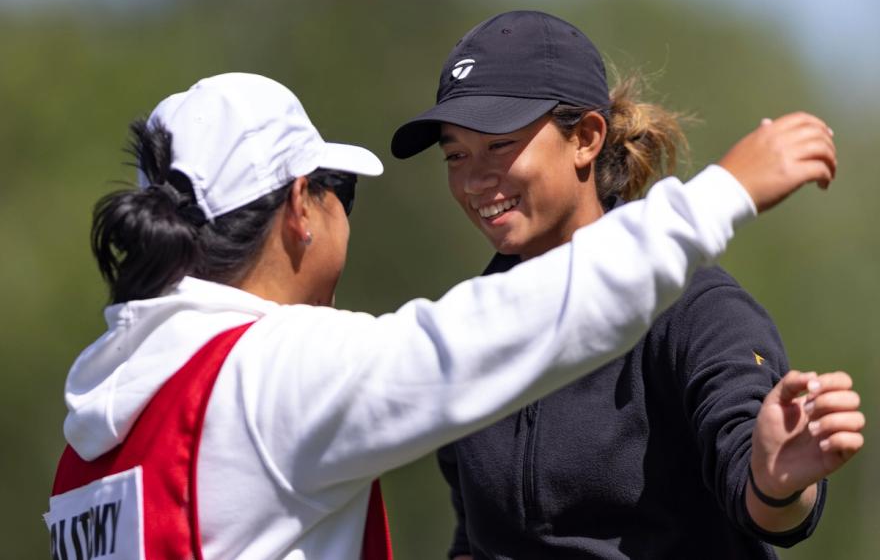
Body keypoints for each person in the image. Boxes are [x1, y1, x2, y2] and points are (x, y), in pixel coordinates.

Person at [45, 70, 831, 560]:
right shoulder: (269, 372)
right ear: (299, 210)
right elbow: (494, 333)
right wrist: (721, 194)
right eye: (338, 191)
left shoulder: (104, 411)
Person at [391, 11, 863, 559]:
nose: (474, 179)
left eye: (500, 145)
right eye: (455, 155)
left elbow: (762, 490)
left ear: (587, 138)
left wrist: (775, 481)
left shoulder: (696, 310)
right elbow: (474, 539)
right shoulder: (464, 329)